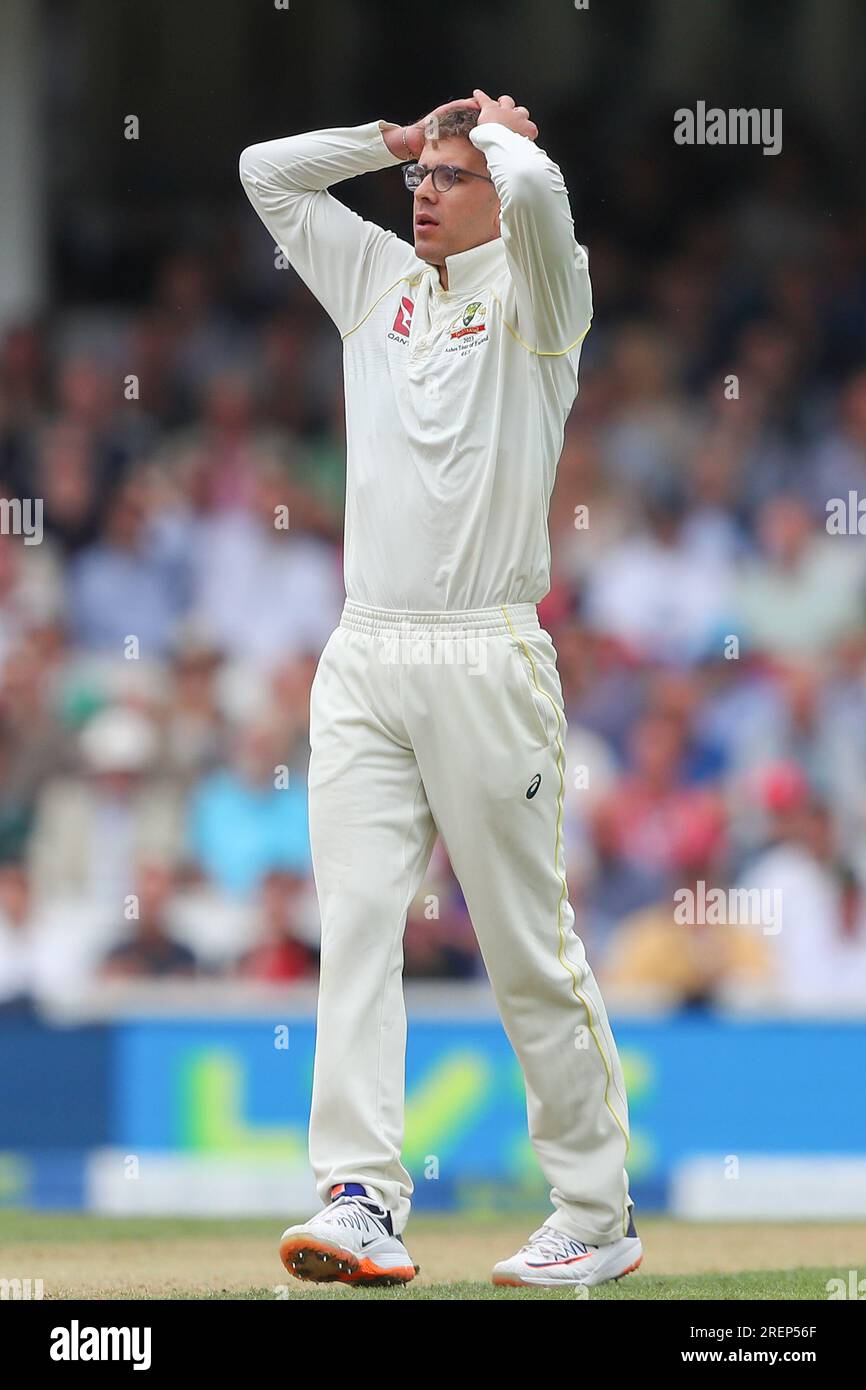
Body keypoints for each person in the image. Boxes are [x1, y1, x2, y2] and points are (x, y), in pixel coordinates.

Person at [239, 89, 641, 1289]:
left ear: (499, 194)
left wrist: (509, 146)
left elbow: (551, 209)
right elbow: (267, 172)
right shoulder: (375, 282)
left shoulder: (540, 301)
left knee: (526, 944)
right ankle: (359, 1196)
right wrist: (395, 141)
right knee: (356, 927)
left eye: (449, 180)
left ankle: (592, 1209)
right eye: (424, 178)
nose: (424, 194)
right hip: (364, 651)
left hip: (485, 653)